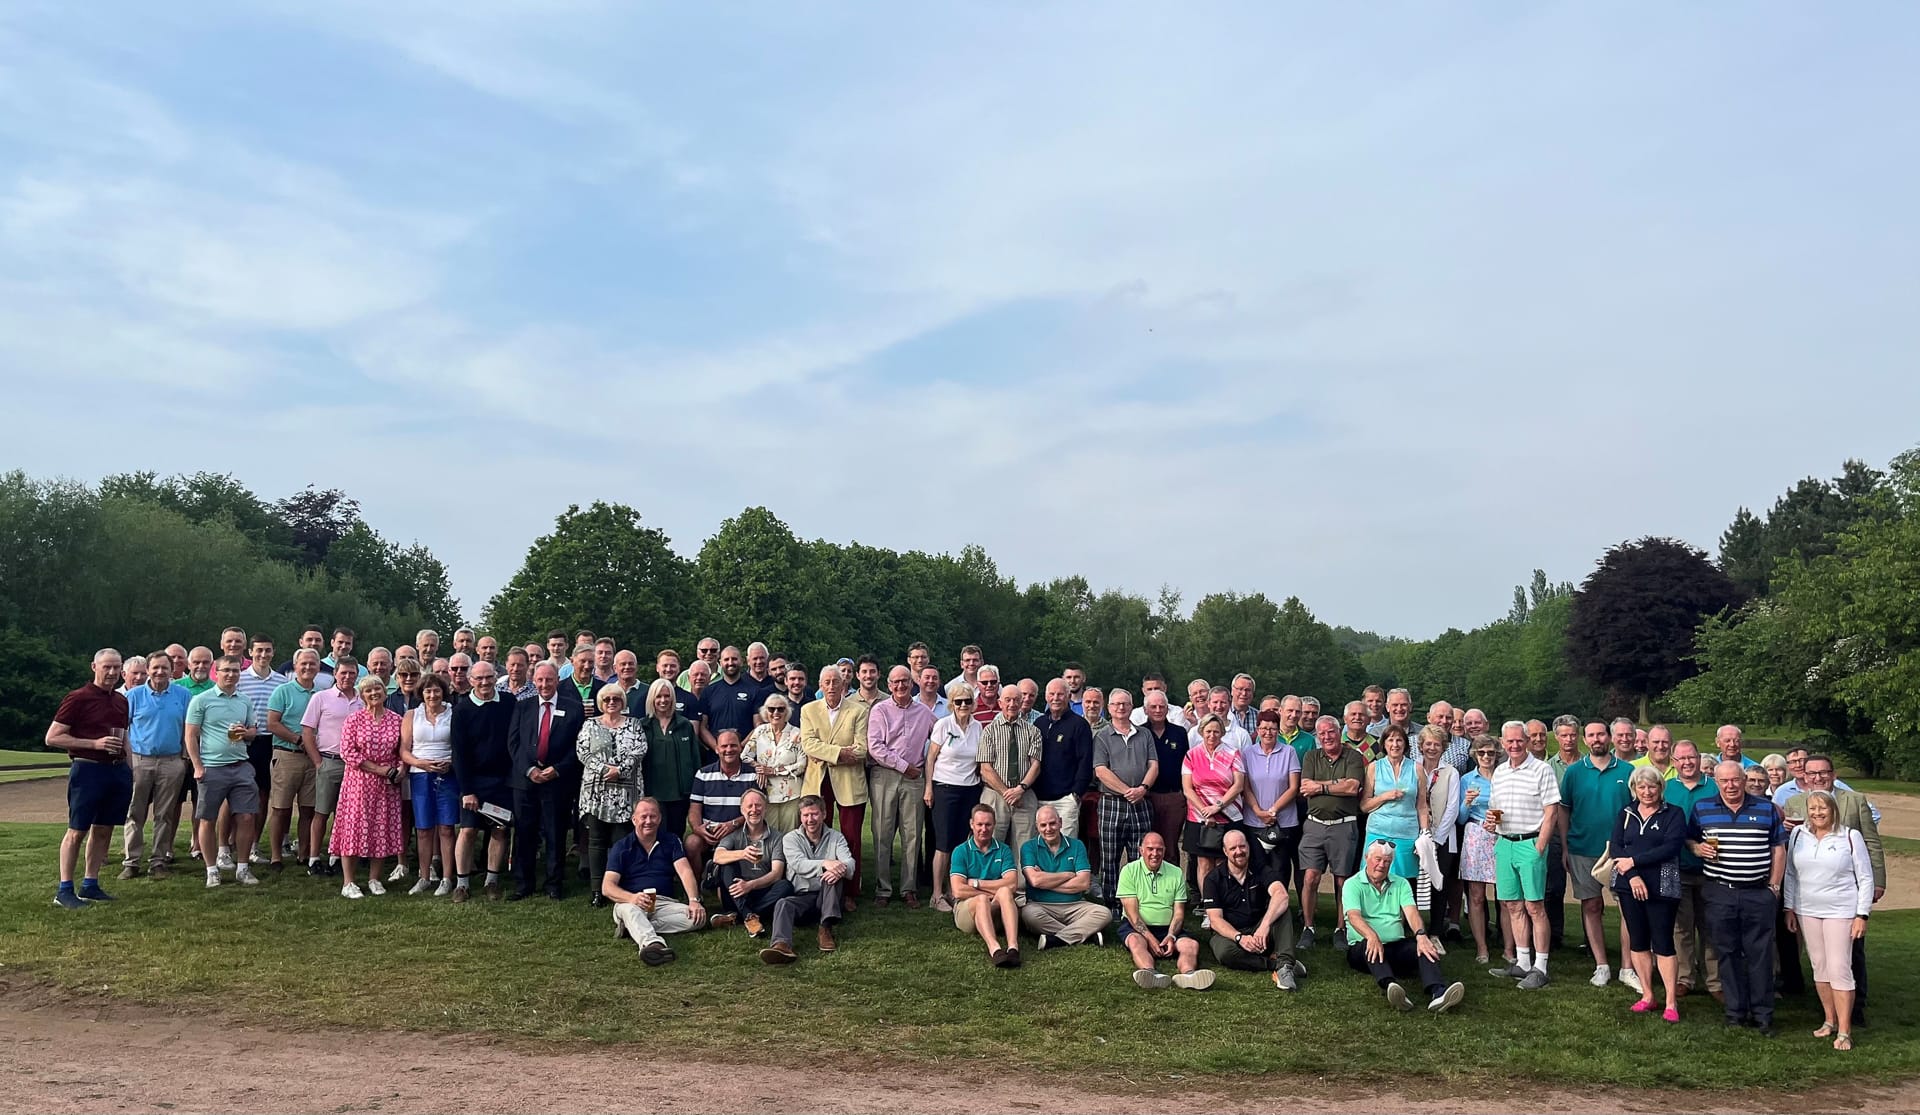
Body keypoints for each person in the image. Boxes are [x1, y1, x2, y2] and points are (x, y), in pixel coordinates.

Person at [1783, 756, 1884, 1029]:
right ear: (1804, 775)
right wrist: (1789, 906)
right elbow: (1791, 870)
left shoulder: (1854, 804)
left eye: (1823, 773)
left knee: (1846, 963)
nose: (1817, 778)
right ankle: (1829, 1018)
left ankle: (1850, 1018)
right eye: (1811, 773)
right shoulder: (1793, 809)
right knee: (1821, 965)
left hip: (1843, 905)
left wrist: (1873, 892)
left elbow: (1871, 847)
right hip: (1809, 906)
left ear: (1833, 774)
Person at [1688, 760, 1787, 1035]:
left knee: (1760, 955)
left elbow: (1778, 849)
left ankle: (1763, 1014)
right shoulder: (1702, 808)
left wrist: (1774, 886)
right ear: (1716, 782)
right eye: (1724, 781)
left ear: (1744, 780)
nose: (1730, 786)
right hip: (1720, 891)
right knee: (1727, 954)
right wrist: (1696, 849)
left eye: (1735, 780)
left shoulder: (1766, 809)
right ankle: (1735, 1011)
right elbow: (1690, 838)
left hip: (1758, 892)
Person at [48, 649, 133, 906]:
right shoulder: (78, 698)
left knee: (104, 829)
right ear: (94, 667)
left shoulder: (121, 700)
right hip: (88, 769)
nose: (111, 673)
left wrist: (130, 769)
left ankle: (90, 884)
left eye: (116, 668)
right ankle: (64, 890)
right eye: (106, 667)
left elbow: (125, 736)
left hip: (116, 771)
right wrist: (94, 744)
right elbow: (53, 737)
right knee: (77, 830)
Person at [1344, 840, 1465, 1013]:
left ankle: (1438, 992)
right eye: (1377, 859)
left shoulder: (1401, 883)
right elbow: (1353, 917)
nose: (1381, 865)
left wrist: (1421, 935)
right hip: (1361, 947)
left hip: (1394, 945)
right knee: (1369, 946)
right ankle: (1391, 987)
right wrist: (1372, 936)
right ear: (1366, 858)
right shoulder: (1352, 884)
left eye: (1386, 861)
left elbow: (1412, 913)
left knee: (1422, 947)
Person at [1486, 720, 1561, 991]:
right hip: (1504, 844)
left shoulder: (1541, 770)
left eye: (1520, 740)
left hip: (1530, 844)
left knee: (1535, 907)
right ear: (1503, 743)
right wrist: (1491, 823)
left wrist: (1540, 847)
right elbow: (1496, 808)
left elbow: (1551, 811)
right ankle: (1523, 962)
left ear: (1527, 741)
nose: (1515, 745)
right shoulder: (1500, 772)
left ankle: (1540, 967)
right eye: (1510, 741)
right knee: (1513, 906)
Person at [1611, 765, 1687, 1022]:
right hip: (1628, 885)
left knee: (1663, 942)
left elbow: (1671, 847)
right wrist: (1632, 875)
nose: (1647, 791)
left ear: (1660, 788)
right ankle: (1647, 995)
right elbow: (1616, 847)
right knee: (1638, 940)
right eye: (1641, 787)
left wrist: (1634, 861)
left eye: (1652, 786)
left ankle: (1670, 1002)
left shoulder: (1673, 814)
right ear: (1634, 789)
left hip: (1662, 886)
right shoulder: (1626, 813)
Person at [1563, 720, 1635, 989]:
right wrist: (1566, 848)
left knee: (1628, 908)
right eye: (1591, 735)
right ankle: (1602, 965)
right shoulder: (1573, 773)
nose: (1597, 739)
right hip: (1583, 848)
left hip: (1621, 852)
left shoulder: (1627, 771)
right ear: (1585, 740)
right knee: (1591, 906)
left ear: (1609, 737)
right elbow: (1564, 810)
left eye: (1601, 734)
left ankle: (1628, 967)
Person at [184, 656, 263, 889]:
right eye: (226, 670)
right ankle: (211, 870)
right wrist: (198, 766)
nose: (231, 675)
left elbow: (253, 730)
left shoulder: (245, 701)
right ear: (216, 673)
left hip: (241, 766)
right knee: (207, 819)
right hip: (212, 768)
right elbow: (190, 735)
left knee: (247, 817)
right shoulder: (201, 700)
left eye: (235, 671)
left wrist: (247, 733)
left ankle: (242, 868)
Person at [508, 662, 583, 901]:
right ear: (534, 681)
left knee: (555, 833)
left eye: (549, 680)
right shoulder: (523, 706)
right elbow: (514, 743)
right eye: (540, 680)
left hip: (557, 781)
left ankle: (554, 884)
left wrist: (558, 769)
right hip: (525, 781)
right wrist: (529, 770)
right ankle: (523, 883)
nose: (544, 685)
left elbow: (578, 746)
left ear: (557, 681)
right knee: (525, 834)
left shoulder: (573, 708)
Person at [604, 797, 709, 965]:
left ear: (660, 819)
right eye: (643, 816)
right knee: (632, 912)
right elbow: (607, 887)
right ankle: (652, 944)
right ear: (634, 819)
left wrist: (694, 900)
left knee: (698, 918)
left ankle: (632, 927)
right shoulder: (622, 847)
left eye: (653, 816)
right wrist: (632, 898)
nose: (648, 821)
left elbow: (684, 871)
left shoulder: (671, 840)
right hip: (630, 902)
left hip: (663, 902)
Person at [328, 675, 406, 898]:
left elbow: (402, 750)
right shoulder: (354, 720)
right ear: (362, 696)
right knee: (353, 830)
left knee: (380, 829)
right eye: (368, 691)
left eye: (378, 689)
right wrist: (380, 770)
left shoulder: (396, 720)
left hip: (387, 786)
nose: (374, 693)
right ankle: (348, 882)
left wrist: (400, 770)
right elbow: (348, 752)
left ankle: (374, 878)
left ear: (385, 691)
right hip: (359, 784)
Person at [800, 665, 870, 909]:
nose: (831, 686)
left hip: (850, 782)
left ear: (844, 686)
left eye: (836, 682)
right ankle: (821, 887)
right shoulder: (808, 709)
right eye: (827, 682)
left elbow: (861, 749)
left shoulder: (859, 711)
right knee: (818, 835)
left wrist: (826, 752)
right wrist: (841, 753)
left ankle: (849, 891)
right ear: (820, 685)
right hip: (818, 781)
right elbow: (808, 744)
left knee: (851, 839)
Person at [868, 665, 935, 908]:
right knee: (882, 832)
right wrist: (902, 766)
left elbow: (939, 736)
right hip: (885, 775)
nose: (900, 686)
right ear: (889, 685)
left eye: (905, 681)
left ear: (912, 683)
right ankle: (883, 889)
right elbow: (875, 746)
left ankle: (909, 888)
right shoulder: (880, 710)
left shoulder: (924, 712)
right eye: (895, 682)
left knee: (913, 834)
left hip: (914, 778)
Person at [1203, 829, 1304, 990]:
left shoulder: (1260, 869)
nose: (1239, 852)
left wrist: (1264, 926)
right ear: (1225, 852)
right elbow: (1215, 920)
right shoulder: (1213, 879)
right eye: (1233, 848)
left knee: (1282, 909)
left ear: (1248, 847)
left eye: (1242, 846)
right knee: (1224, 952)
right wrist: (1240, 938)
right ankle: (1275, 963)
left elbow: (1281, 894)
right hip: (1231, 934)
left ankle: (1285, 967)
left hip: (1259, 929)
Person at [450, 660, 516, 901]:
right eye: (479, 678)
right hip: (473, 782)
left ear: (495, 677)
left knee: (499, 830)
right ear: (471, 680)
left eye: (489, 677)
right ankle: (462, 884)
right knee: (467, 831)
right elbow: (459, 753)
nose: (485, 682)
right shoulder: (462, 710)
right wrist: (467, 790)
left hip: (502, 781)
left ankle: (492, 882)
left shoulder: (509, 702)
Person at [576, 683, 647, 907]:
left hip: (626, 794)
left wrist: (620, 770)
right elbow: (582, 751)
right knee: (596, 842)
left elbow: (640, 749)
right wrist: (605, 770)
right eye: (606, 699)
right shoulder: (589, 724)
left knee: (621, 842)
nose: (611, 702)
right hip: (597, 793)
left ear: (623, 701)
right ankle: (597, 890)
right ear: (601, 703)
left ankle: (619, 889)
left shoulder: (634, 724)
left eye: (616, 698)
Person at [121, 651, 189, 880]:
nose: (160, 672)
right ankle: (131, 861)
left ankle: (158, 861)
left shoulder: (183, 694)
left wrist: (183, 759)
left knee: (165, 814)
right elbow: (123, 730)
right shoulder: (134, 695)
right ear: (148, 670)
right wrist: (128, 760)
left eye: (164, 668)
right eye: (155, 668)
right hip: (140, 760)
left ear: (172, 670)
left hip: (172, 761)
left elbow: (188, 731)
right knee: (135, 812)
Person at [761, 796, 854, 964]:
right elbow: (798, 864)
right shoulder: (790, 839)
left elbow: (850, 864)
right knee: (783, 903)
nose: (810, 819)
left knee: (832, 877)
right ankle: (781, 945)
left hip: (828, 896)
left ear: (824, 814)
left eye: (814, 814)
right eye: (805, 815)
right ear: (800, 817)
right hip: (802, 897)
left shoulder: (836, 837)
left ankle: (825, 928)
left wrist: (840, 870)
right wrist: (826, 863)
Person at [1298, 714, 1364, 949]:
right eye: (1322, 733)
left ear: (1340, 732)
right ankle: (1308, 927)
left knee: (1342, 880)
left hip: (1343, 825)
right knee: (1310, 877)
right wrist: (1337, 784)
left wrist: (1322, 786)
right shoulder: (1311, 756)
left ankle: (1341, 928)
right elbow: (1306, 787)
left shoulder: (1354, 756)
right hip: (1314, 824)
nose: (1327, 736)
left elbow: (1352, 787)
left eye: (1331, 732)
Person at [1663, 740, 1722, 1000]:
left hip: (1714, 869)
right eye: (1681, 759)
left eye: (1691, 757)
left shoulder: (1715, 786)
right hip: (1677, 868)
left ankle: (1716, 981)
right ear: (1673, 762)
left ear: (1699, 758)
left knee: (1711, 927)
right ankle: (1684, 977)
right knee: (1681, 927)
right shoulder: (1666, 789)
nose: (1687, 763)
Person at [1117, 832, 1211, 990]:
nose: (1155, 854)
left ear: (1165, 850)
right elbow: (1133, 916)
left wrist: (1171, 935)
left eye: (1159, 849)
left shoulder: (1175, 872)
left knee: (1191, 945)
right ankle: (1150, 973)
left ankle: (1188, 975)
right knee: (1136, 942)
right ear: (1141, 850)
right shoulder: (1129, 871)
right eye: (1150, 849)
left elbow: (1179, 913)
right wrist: (1150, 939)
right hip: (1138, 927)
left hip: (1168, 927)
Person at [1091, 689, 1158, 908]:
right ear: (1109, 708)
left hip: (1141, 802)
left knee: (1139, 856)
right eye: (1116, 704)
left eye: (1125, 704)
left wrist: (1142, 788)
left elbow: (1153, 765)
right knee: (1109, 856)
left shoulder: (1144, 734)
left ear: (1132, 707)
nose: (1121, 708)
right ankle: (1111, 903)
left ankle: (1138, 902)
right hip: (1112, 802)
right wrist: (1126, 791)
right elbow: (1101, 770)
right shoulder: (1102, 736)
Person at [300, 656, 362, 876]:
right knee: (322, 812)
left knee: (346, 814)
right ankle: (314, 858)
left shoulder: (363, 700)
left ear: (357, 675)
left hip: (355, 766)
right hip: (329, 760)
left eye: (352, 673)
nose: (347, 677)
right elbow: (307, 731)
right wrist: (317, 761)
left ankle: (337, 855)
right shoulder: (321, 698)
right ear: (335, 674)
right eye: (343, 673)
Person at [398, 672, 459, 897]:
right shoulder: (411, 715)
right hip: (420, 774)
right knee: (423, 829)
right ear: (421, 693)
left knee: (446, 827)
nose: (432, 695)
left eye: (436, 690)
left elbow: (460, 746)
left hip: (448, 774)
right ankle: (424, 877)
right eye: (427, 690)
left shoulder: (453, 713)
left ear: (443, 692)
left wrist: (450, 763)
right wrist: (420, 763)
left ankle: (446, 878)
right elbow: (404, 750)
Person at [924, 681, 983, 913]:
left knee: (961, 844)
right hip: (945, 788)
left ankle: (953, 890)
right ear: (951, 704)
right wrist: (928, 787)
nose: (963, 705)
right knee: (944, 844)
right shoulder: (942, 725)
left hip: (970, 790)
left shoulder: (978, 727)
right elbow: (930, 759)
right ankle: (936, 894)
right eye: (958, 701)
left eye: (967, 701)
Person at [1019, 803, 1112, 948]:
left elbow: (1083, 884)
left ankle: (1056, 939)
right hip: (1040, 905)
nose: (1048, 829)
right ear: (1037, 826)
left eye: (1052, 823)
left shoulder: (1077, 846)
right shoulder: (1028, 847)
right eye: (1043, 825)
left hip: (1075, 905)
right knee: (1028, 915)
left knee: (1104, 913)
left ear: (1060, 822)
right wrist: (1068, 875)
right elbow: (1035, 881)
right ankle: (1085, 934)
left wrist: (1046, 880)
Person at [977, 682, 1042, 869]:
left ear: (1022, 702)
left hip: (1024, 794)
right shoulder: (989, 730)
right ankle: (989, 887)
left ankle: (1021, 890)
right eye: (1008, 700)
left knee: (1024, 845)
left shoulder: (1033, 731)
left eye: (1016, 700)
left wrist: (1020, 790)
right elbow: (985, 768)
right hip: (994, 795)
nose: (1012, 704)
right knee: (990, 841)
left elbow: (1035, 765)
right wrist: (1008, 793)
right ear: (1000, 703)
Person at [950, 804, 1024, 967]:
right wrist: (990, 891)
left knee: (1004, 892)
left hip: (994, 909)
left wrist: (977, 883)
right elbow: (958, 890)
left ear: (994, 824)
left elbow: (1012, 884)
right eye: (979, 824)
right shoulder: (961, 851)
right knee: (982, 899)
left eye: (988, 824)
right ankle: (995, 950)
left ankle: (1013, 947)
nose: (984, 829)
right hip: (967, 913)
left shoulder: (1003, 850)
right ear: (971, 824)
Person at [709, 788, 791, 937]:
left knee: (785, 886)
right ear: (742, 810)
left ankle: (739, 916)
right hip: (736, 893)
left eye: (758, 805)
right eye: (749, 806)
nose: (754, 810)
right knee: (726, 865)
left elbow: (776, 874)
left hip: (762, 891)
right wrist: (742, 854)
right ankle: (749, 916)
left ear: (765, 808)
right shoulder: (734, 835)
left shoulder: (777, 837)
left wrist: (750, 885)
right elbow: (717, 856)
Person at [1182, 713, 1246, 888]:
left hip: (1229, 815)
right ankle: (1207, 906)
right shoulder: (1191, 755)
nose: (1212, 735)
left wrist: (1217, 806)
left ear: (1222, 733)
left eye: (1216, 732)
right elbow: (1188, 789)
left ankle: (1225, 903)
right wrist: (1205, 810)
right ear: (1202, 732)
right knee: (1204, 863)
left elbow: (1238, 785)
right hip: (1199, 817)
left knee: (1224, 862)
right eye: (1208, 731)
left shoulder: (1233, 753)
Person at [1241, 709, 1302, 890]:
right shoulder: (1247, 753)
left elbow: (1293, 787)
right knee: (1257, 866)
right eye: (1264, 728)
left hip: (1283, 822)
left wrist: (1273, 810)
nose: (1268, 732)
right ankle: (1259, 910)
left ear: (1278, 730)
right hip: (1254, 820)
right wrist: (1259, 812)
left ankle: (1279, 910)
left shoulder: (1288, 752)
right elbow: (1245, 787)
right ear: (1258, 729)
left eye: (1273, 728)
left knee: (1280, 868)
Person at [686, 730, 760, 881]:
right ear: (717, 749)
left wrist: (733, 824)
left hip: (740, 831)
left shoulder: (753, 775)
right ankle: (699, 884)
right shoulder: (703, 774)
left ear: (740, 747)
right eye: (724, 746)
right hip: (710, 831)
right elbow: (695, 808)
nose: (728, 750)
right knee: (692, 843)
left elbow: (757, 810)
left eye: (733, 745)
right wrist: (698, 829)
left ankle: (725, 878)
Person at [1031, 678, 1094, 844]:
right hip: (1038, 798)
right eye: (1052, 694)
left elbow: (1085, 761)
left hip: (1066, 800)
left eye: (1060, 694)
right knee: (1040, 849)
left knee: (1065, 848)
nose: (1056, 698)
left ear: (1068, 697)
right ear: (1046, 696)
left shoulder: (1079, 725)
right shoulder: (1039, 723)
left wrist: (1076, 794)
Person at [638, 678, 701, 839]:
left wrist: (694, 789)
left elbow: (695, 759)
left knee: (675, 834)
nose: (663, 700)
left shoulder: (685, 725)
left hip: (679, 793)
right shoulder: (642, 726)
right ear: (652, 698)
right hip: (652, 791)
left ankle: (676, 863)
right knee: (654, 834)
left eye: (667, 696)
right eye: (658, 696)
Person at [1458, 735, 1501, 964]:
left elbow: (1506, 806)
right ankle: (1482, 947)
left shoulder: (1504, 777)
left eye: (1491, 753)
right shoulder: (1467, 779)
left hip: (1500, 834)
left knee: (1505, 895)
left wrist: (1496, 820)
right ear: (1475, 754)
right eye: (1482, 753)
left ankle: (1510, 948)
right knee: (1476, 895)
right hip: (1475, 834)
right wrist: (1466, 802)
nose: (1486, 757)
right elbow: (1460, 818)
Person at [1361, 724, 1420, 886]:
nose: (1395, 745)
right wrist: (1385, 796)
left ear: (1405, 744)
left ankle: (1404, 912)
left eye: (1399, 740)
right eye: (1391, 740)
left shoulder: (1417, 768)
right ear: (1384, 744)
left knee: (1405, 882)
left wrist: (1425, 833)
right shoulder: (1374, 767)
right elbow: (1364, 806)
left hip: (1407, 833)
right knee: (1374, 879)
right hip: (1378, 831)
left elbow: (1421, 806)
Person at [1140, 690, 1190, 869]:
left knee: (1170, 847)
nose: (1158, 710)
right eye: (1153, 706)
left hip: (1173, 798)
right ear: (1146, 710)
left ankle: (1174, 890)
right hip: (1147, 797)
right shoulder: (1140, 733)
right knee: (1149, 846)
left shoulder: (1179, 733)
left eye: (1162, 706)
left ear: (1168, 709)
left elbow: (1187, 766)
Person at [742, 694, 806, 832]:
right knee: (769, 834)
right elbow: (745, 756)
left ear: (787, 711)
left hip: (792, 795)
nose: (776, 713)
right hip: (766, 795)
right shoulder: (760, 731)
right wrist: (760, 768)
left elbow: (802, 765)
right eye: (771, 709)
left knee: (790, 835)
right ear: (766, 712)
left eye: (780, 709)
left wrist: (773, 771)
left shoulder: (797, 733)